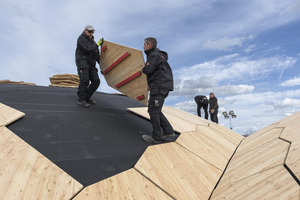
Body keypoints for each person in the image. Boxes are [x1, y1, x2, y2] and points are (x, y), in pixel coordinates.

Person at [141, 37, 175, 143]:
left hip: (159, 87)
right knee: (156, 110)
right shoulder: (159, 55)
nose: (143, 46)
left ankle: (156, 137)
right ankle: (168, 131)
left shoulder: (154, 55)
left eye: (145, 44)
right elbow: (156, 72)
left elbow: (148, 70)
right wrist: (150, 84)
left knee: (153, 111)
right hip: (162, 86)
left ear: (149, 45)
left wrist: (143, 68)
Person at [75, 25, 104, 108]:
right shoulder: (81, 39)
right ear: (85, 31)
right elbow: (87, 48)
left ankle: (87, 97)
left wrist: (102, 67)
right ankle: (81, 99)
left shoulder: (93, 43)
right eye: (90, 31)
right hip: (83, 63)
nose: (91, 33)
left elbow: (97, 56)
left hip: (91, 64)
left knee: (96, 81)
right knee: (85, 80)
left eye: (92, 32)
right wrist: (98, 45)